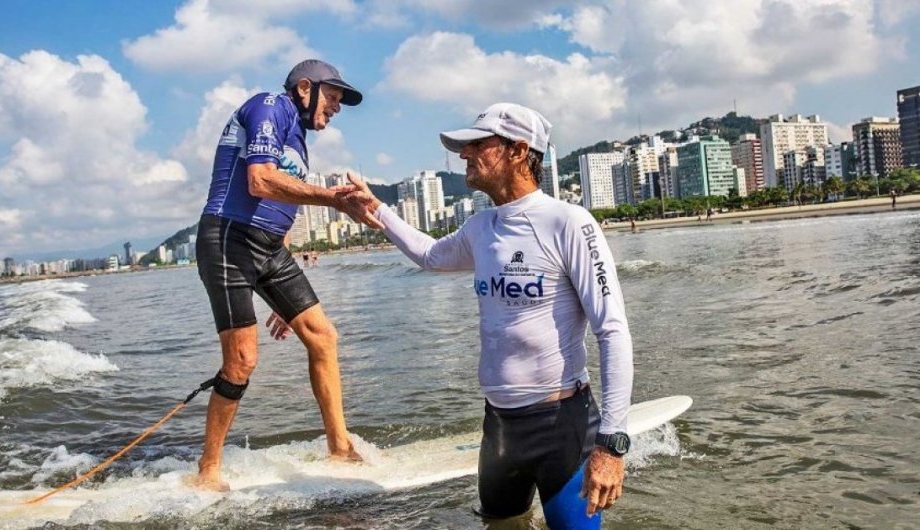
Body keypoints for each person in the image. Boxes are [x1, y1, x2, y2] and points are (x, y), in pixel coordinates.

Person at [341, 103, 634, 527]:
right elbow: (429, 254)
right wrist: (378, 210)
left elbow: (613, 331)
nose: (464, 155)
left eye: (478, 144)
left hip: (561, 426)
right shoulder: (481, 228)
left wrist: (611, 445)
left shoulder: (568, 222)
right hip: (499, 427)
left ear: (518, 151)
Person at [193, 59, 381, 491]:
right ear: (304, 88)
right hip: (228, 237)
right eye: (331, 98)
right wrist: (334, 199)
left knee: (322, 335)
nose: (335, 109)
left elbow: (284, 204)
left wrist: (284, 297)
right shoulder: (269, 107)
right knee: (241, 360)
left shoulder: (296, 137)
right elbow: (260, 182)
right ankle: (208, 468)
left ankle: (339, 446)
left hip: (272, 249)